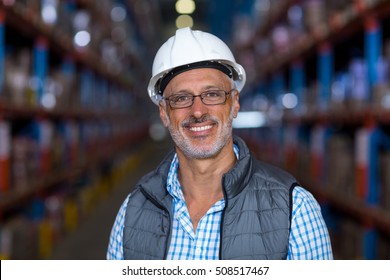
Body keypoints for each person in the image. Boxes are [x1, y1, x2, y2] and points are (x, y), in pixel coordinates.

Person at [106, 27, 333, 260]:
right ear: (164, 113)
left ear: (234, 103)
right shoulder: (133, 213)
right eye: (181, 98)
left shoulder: (294, 211)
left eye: (212, 94)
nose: (197, 111)